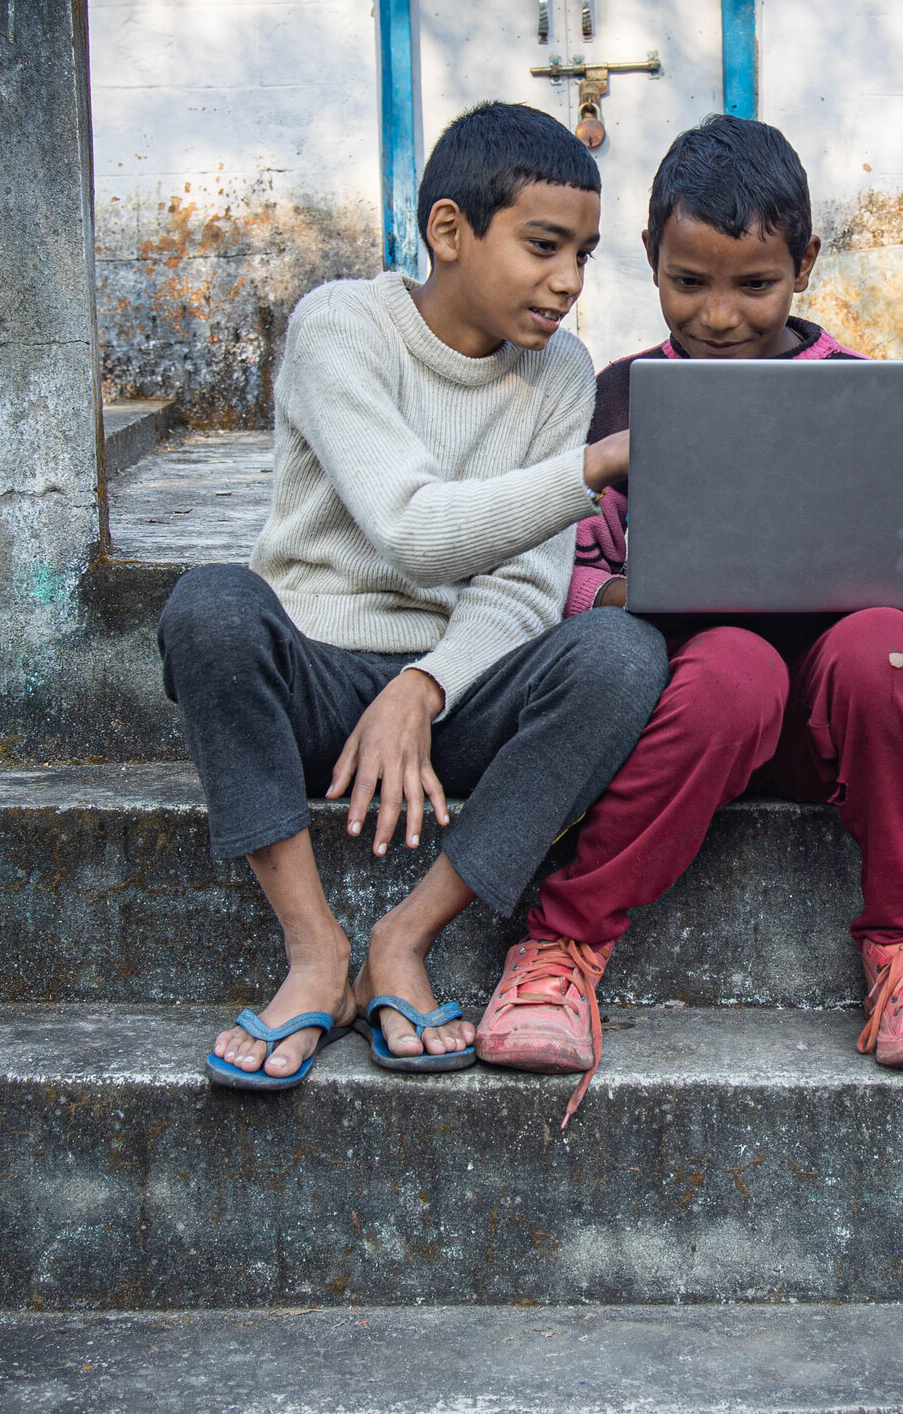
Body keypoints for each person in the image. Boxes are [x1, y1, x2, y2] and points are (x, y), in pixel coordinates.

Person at [472, 114, 903, 1120]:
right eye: (687, 283)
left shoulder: (863, 395)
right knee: (735, 666)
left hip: (838, 724)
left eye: (752, 285)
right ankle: (563, 944)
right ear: (650, 264)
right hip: (693, 721)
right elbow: (560, 574)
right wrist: (623, 595)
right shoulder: (618, 399)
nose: (717, 317)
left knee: (883, 650)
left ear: (803, 263)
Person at [156, 102, 669, 1090]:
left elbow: (527, 584)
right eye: (542, 246)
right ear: (449, 231)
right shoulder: (341, 326)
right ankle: (315, 952)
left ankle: (402, 938)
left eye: (584, 256)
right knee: (210, 608)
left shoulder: (559, 371)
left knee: (623, 654)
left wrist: (426, 687)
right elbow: (411, 529)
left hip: (453, 701)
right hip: (311, 678)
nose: (567, 282)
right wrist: (596, 466)